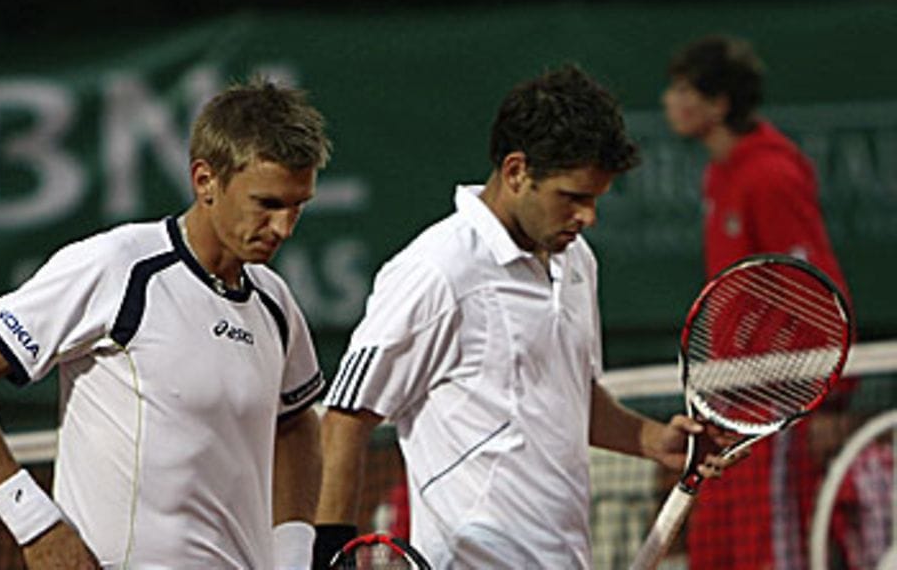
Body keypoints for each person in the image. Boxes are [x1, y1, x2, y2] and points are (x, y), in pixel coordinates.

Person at [314, 64, 738, 569]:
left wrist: (651, 440)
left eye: (596, 200)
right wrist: (331, 553)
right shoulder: (436, 270)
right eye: (573, 198)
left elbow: (568, 395)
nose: (588, 218)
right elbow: (346, 414)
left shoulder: (579, 261)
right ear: (516, 172)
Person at [0, 79, 331, 569]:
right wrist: (35, 525)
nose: (283, 228)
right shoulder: (116, 266)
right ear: (204, 181)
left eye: (298, 207)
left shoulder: (274, 301)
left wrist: (295, 554)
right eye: (268, 204)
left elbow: (298, 422)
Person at [663, 34, 854, 569]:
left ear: (719, 103)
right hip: (727, 404)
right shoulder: (719, 173)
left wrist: (830, 401)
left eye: (683, 89)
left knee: (772, 557)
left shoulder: (771, 175)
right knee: (718, 554)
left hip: (777, 407)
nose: (669, 101)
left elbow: (817, 292)